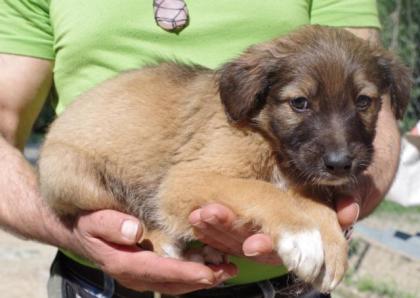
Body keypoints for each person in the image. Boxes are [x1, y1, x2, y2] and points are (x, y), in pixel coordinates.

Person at [0, 0, 402, 297]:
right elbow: (184, 193)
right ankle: (154, 238)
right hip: (97, 254)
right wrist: (74, 234)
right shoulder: (241, 123)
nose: (337, 151)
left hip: (281, 286)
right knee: (72, 170)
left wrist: (335, 216)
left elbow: (368, 98)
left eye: (363, 104)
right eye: (299, 103)